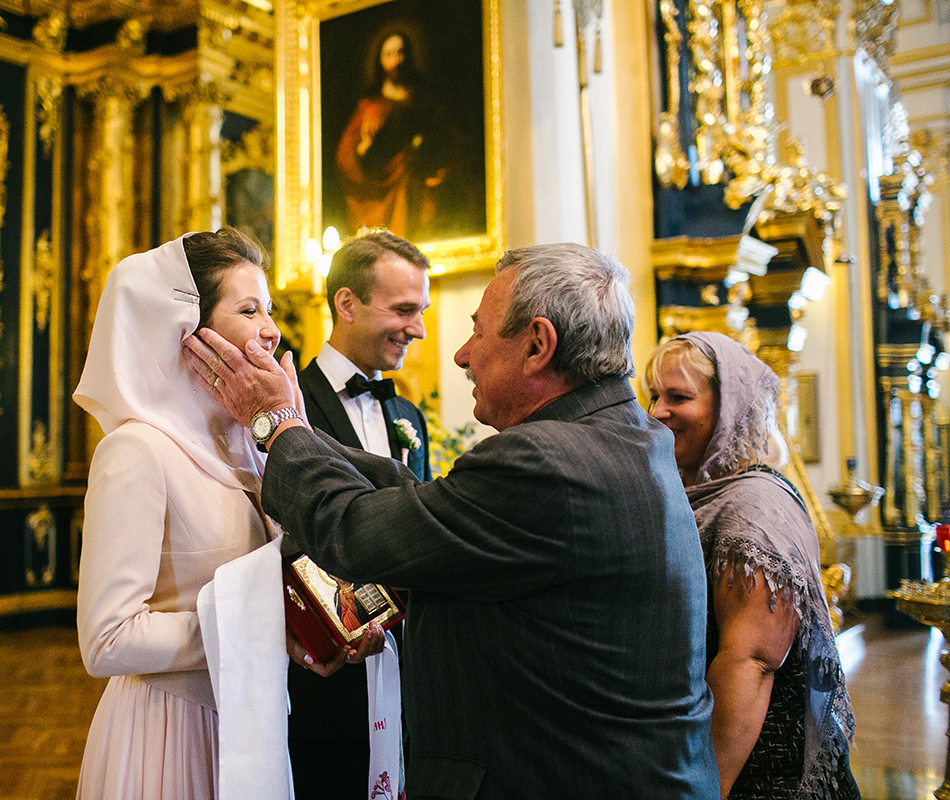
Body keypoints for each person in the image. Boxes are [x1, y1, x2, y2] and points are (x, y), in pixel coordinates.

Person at [184, 242, 721, 800]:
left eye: (479, 331)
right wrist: (303, 433)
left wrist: (276, 423)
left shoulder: (546, 463)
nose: (461, 354)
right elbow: (430, 504)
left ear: (538, 344)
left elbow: (355, 529)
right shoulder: (625, 436)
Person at [73, 228, 324, 800]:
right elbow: (106, 639)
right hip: (171, 733)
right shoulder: (137, 450)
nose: (272, 328)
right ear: (189, 332)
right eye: (249, 309)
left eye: (271, 309)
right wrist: (260, 631)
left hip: (252, 722)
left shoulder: (251, 449)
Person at [645, 331, 860, 800]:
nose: (657, 411)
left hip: (761, 771)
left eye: (678, 397)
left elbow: (752, 662)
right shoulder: (701, 494)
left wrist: (707, 788)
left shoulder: (754, 509)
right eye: (654, 395)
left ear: (730, 409)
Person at [290, 228, 432, 799]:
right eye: (403, 310)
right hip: (325, 673)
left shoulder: (408, 416)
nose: (418, 329)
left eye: (420, 311)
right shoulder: (289, 408)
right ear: (347, 304)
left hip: (404, 667)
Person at [334, 30, 455, 240]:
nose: (397, 61)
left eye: (401, 53)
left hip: (417, 181)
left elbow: (447, 142)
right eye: (389, 54)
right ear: (380, 61)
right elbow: (346, 156)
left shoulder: (425, 100)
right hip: (380, 184)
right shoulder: (369, 106)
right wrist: (363, 148)